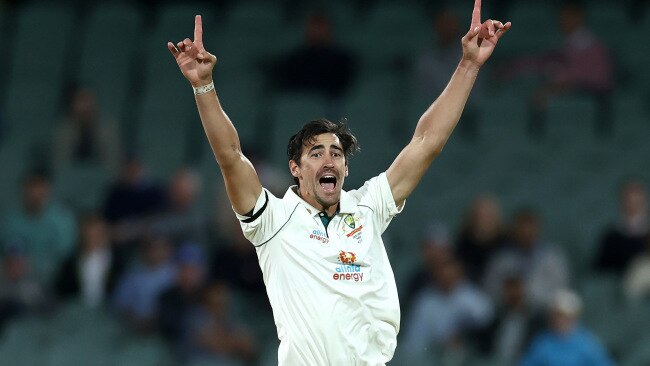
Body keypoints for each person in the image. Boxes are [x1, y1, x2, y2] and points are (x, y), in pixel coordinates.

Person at [166, 2, 510, 363]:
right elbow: (230, 157)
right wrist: (204, 87)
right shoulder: (272, 219)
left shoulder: (368, 207)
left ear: (345, 168)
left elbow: (426, 142)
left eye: (336, 153)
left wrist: (469, 64)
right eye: (316, 153)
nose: (329, 159)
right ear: (295, 169)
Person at [402, 257, 493, 357]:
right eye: (441, 273)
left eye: (449, 273)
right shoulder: (425, 301)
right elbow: (414, 341)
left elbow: (487, 328)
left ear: (458, 273)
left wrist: (464, 336)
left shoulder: (474, 298)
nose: (445, 277)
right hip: (433, 357)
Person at [484, 208, 569, 310]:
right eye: (522, 229)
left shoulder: (553, 258)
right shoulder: (502, 259)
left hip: (543, 315)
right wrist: (508, 295)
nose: (526, 233)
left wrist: (527, 295)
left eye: (530, 229)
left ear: (538, 229)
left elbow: (562, 295)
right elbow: (488, 291)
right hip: (506, 313)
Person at [2, 170, 77, 282]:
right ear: (23, 189)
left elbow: (65, 258)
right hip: (14, 281)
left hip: (52, 282)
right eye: (31, 187)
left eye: (39, 188)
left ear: (48, 190)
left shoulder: (62, 219)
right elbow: (6, 249)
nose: (35, 193)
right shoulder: (11, 219)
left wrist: (31, 266)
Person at [520, 289, 614, 366]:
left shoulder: (587, 345)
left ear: (573, 318)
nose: (558, 320)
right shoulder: (542, 341)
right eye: (556, 315)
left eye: (563, 316)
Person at [274, 12, 356, 98]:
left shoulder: (343, 59)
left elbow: (342, 87)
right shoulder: (293, 59)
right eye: (313, 26)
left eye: (321, 26)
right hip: (298, 104)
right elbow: (287, 86)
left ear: (330, 29)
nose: (317, 31)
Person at [54, 214, 125, 308]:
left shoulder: (118, 262)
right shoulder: (71, 262)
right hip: (77, 312)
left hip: (108, 312)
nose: (93, 237)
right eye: (89, 233)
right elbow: (62, 291)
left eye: (97, 233)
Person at [595, 179, 648, 274]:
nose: (633, 202)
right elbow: (601, 267)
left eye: (637, 197)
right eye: (629, 198)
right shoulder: (612, 237)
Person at [455, 194, 508, 283]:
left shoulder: (507, 242)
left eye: (489, 215)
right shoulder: (463, 245)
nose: (486, 220)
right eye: (482, 216)